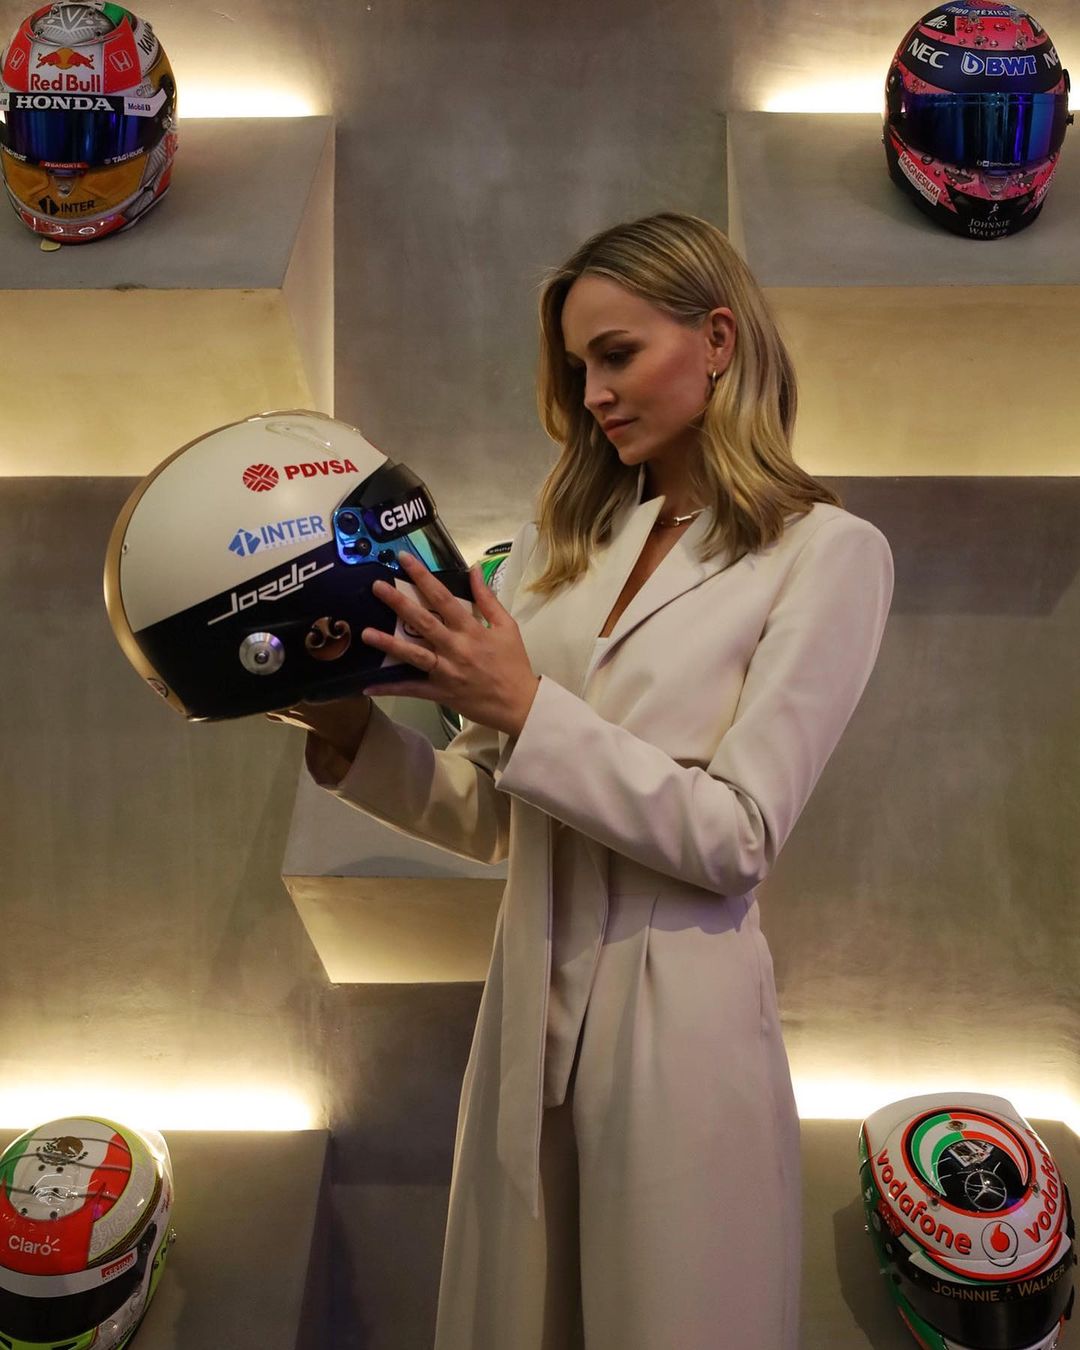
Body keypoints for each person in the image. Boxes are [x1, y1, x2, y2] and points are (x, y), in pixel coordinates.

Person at [274, 211, 894, 1350]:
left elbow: (738, 836)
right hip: (526, 1003)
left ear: (717, 339)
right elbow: (493, 815)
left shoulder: (825, 554)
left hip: (682, 1016)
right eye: (577, 368)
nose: (594, 394)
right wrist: (350, 729)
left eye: (618, 354)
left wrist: (525, 705)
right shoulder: (557, 550)